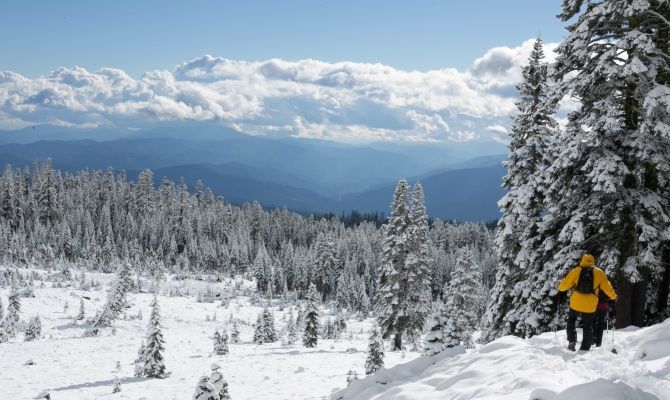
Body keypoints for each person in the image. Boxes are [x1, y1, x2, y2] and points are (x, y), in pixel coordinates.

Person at [558, 254, 617, 351]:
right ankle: (585, 347)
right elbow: (607, 287)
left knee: (572, 320)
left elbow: (564, 286)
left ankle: (572, 340)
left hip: (576, 302)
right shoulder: (599, 272)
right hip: (590, 304)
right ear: (593, 261)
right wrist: (613, 296)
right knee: (588, 324)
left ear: (582, 260)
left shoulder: (576, 270)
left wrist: (559, 286)